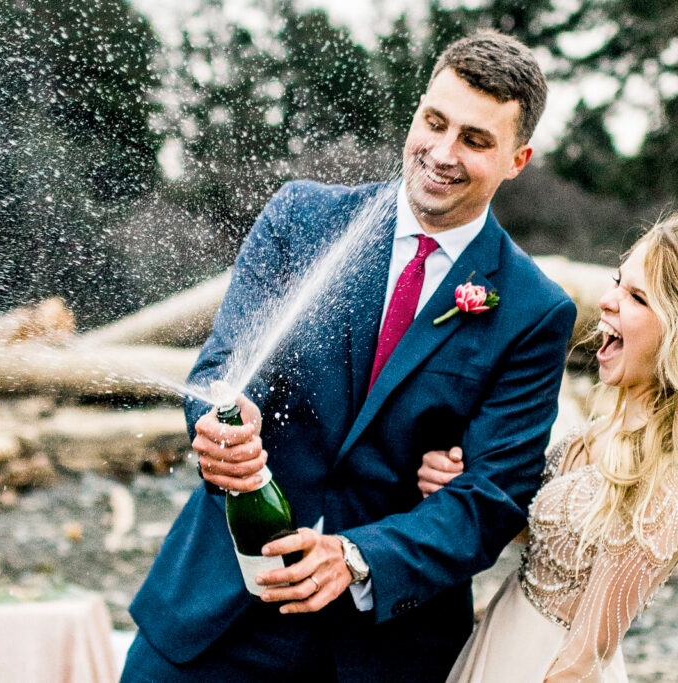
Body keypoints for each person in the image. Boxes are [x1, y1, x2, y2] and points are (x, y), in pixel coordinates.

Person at [121, 30, 577, 682]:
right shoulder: (300, 219)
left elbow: (492, 496)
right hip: (213, 618)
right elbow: (221, 364)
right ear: (417, 111)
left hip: (378, 647)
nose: (441, 153)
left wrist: (358, 556)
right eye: (434, 122)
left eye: (475, 140)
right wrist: (220, 422)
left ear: (517, 159)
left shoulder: (534, 309)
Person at [419, 213, 678, 681]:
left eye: (636, 297)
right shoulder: (602, 429)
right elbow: (551, 541)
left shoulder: (662, 484)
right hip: (506, 634)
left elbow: (586, 656)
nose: (606, 301)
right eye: (618, 282)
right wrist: (462, 485)